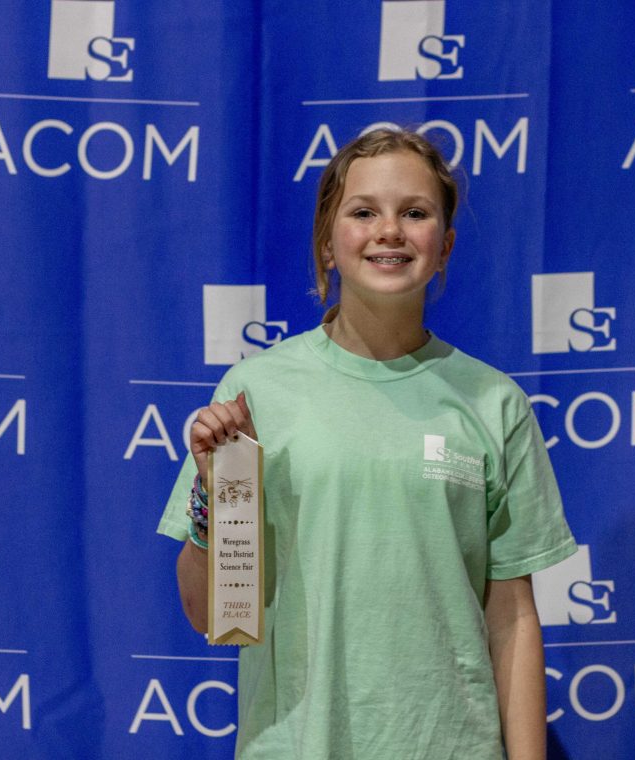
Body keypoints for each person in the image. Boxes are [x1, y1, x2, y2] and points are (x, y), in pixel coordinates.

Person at [158, 128, 576, 759]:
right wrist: (214, 502)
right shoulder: (255, 393)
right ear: (327, 245)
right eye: (363, 212)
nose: (389, 231)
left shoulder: (494, 403)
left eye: (415, 212)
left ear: (444, 245)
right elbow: (209, 614)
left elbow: (513, 618)